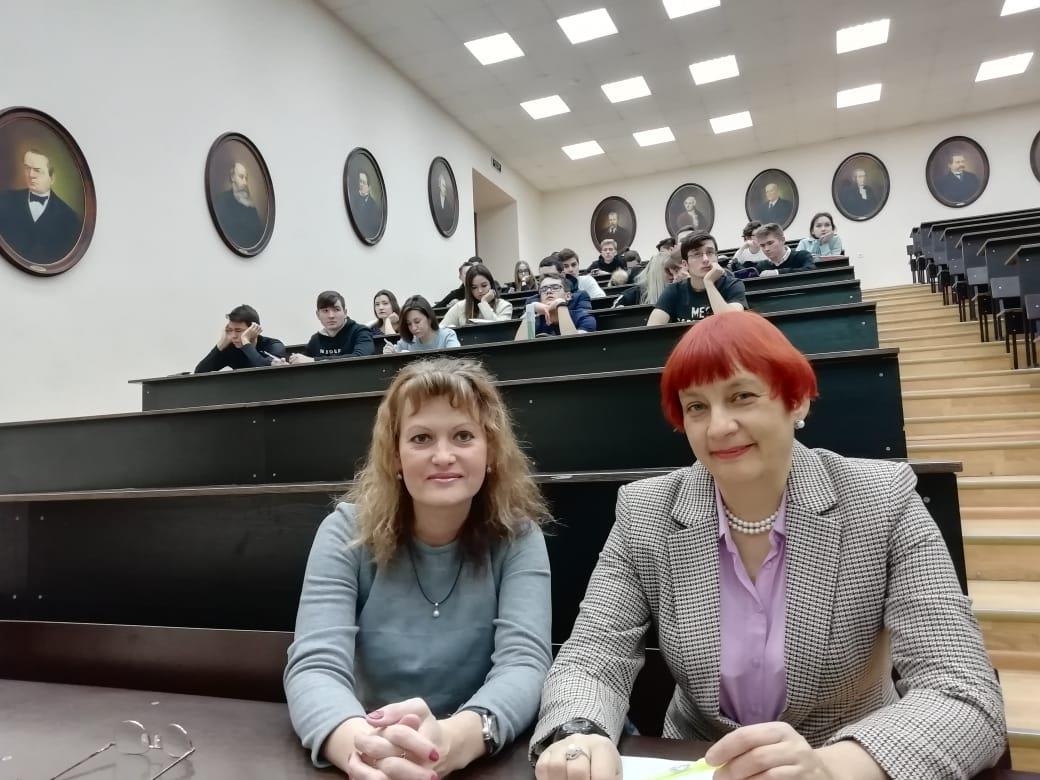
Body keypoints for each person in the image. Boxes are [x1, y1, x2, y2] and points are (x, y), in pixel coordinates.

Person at [530, 310, 1006, 780]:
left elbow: (963, 691)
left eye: (741, 396)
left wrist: (831, 767)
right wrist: (577, 732)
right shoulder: (645, 512)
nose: (718, 427)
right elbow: (593, 656)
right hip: (700, 766)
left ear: (795, 401)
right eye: (697, 407)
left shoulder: (882, 499)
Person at [285, 357, 552, 777]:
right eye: (421, 438)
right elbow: (315, 666)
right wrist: (363, 749)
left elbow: (525, 665)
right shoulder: (345, 532)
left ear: (490, 452)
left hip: (475, 757)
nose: (443, 456)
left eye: (463, 436)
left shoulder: (518, 537)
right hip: (365, 745)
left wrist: (453, 741)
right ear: (395, 456)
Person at [0, 148, 82, 264]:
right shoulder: (4, 200)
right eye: (27, 168)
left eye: (37, 170)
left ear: (52, 178)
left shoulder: (70, 218)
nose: (31, 175)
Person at [648, 232, 747, 324]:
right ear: (685, 264)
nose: (705, 259)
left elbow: (732, 322)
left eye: (710, 252)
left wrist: (709, 283)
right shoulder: (674, 291)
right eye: (696, 254)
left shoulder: (732, 285)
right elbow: (652, 329)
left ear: (717, 257)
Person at [288, 291, 375, 364]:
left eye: (336, 309)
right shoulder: (315, 340)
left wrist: (314, 360)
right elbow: (303, 361)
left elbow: (361, 357)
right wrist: (288, 364)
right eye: (325, 311)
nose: (331, 316)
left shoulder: (360, 332)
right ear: (318, 315)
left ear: (345, 313)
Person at [194, 304, 286, 372]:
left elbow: (266, 370)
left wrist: (245, 341)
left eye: (238, 330)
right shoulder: (231, 350)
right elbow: (200, 371)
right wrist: (221, 343)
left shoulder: (273, 345)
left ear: (254, 329)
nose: (233, 336)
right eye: (230, 330)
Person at [515, 272, 596, 339]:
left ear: (568, 296)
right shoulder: (534, 320)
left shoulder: (583, 318)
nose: (548, 291)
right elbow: (519, 348)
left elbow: (573, 345)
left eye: (555, 287)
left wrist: (561, 304)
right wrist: (531, 308)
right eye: (544, 289)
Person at [212, 161, 265, 248]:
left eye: (246, 178)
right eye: (241, 177)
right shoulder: (221, 200)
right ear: (233, 177)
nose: (245, 183)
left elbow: (259, 237)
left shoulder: (251, 207)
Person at [441, 264, 513, 327]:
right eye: (474, 287)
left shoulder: (505, 306)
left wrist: (484, 303)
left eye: (484, 285)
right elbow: (441, 329)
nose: (480, 290)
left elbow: (499, 329)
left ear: (491, 285)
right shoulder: (460, 306)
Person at [386, 296, 460, 353]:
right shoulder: (406, 341)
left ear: (429, 318)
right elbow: (395, 355)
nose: (413, 328)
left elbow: (456, 360)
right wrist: (391, 352)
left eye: (417, 322)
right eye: (409, 324)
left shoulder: (447, 336)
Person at [616, 251, 683, 307]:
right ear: (656, 273)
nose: (674, 276)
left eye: (677, 271)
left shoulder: (682, 292)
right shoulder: (630, 296)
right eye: (669, 272)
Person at [751, 222, 815, 277]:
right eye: (762, 245)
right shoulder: (761, 266)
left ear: (782, 240)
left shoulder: (802, 256)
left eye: (770, 243)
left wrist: (778, 272)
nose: (766, 249)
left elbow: (811, 271)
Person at [353, 170, 382, 237]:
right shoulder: (354, 199)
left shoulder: (373, 206)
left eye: (363, 182)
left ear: (368, 187)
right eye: (360, 182)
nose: (361, 185)